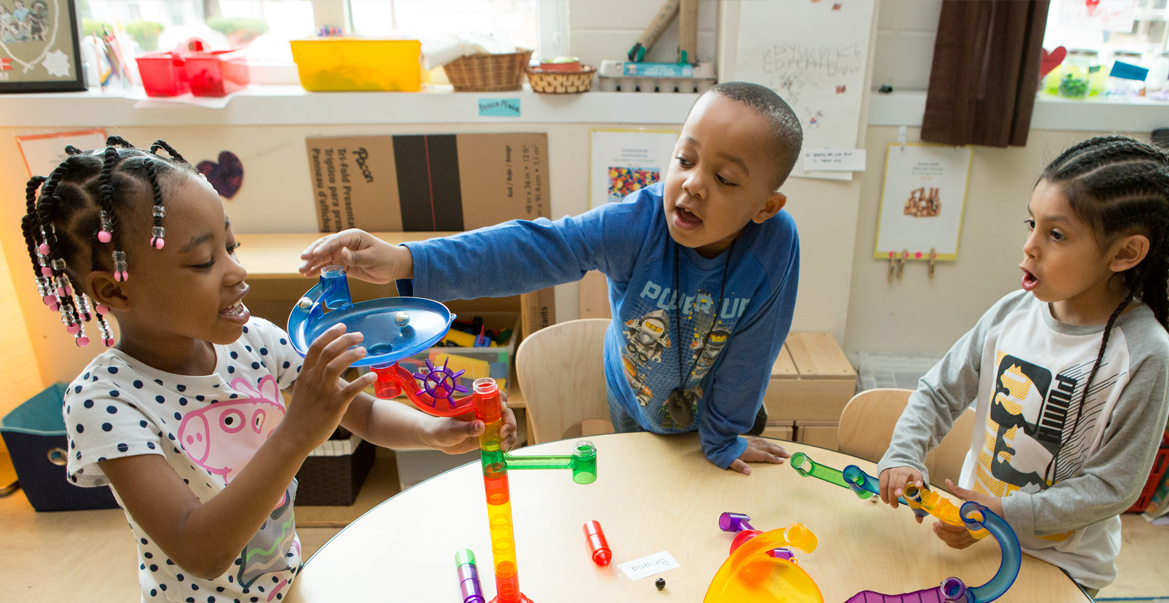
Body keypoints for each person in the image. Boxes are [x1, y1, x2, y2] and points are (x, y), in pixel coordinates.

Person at [20, 136, 515, 603]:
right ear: (114, 290)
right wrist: (297, 432)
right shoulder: (105, 402)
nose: (236, 273)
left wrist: (432, 431)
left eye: (231, 247)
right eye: (203, 261)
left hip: (286, 584)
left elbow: (364, 412)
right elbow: (198, 547)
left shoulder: (257, 341)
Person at [298, 82, 803, 475]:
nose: (692, 184)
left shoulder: (776, 243)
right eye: (684, 159)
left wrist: (723, 437)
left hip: (725, 418)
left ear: (765, 206)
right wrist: (407, 260)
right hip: (637, 408)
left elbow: (756, 347)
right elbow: (533, 247)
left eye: (725, 179)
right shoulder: (634, 224)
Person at [877, 136, 1169, 595]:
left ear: (1125, 254)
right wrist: (905, 454)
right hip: (977, 535)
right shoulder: (1012, 313)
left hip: (1063, 566)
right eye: (1032, 223)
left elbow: (1112, 486)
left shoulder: (1146, 355)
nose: (1028, 248)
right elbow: (938, 392)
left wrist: (1005, 514)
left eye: (1056, 234)